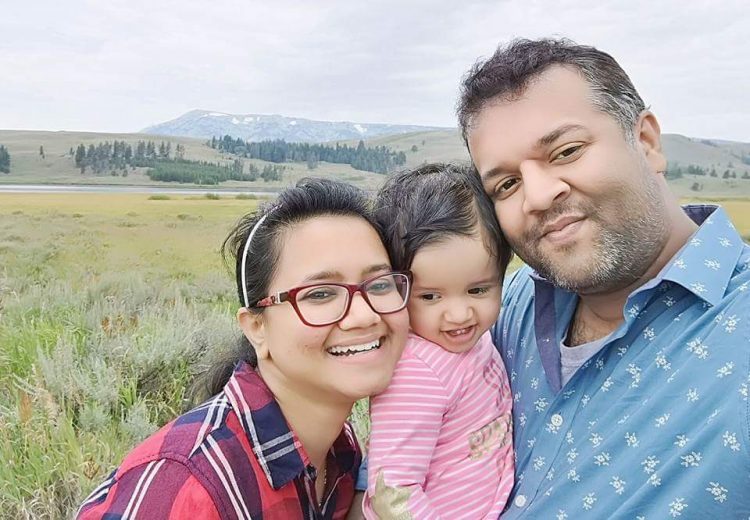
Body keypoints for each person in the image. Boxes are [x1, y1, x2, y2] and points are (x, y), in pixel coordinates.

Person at [457, 38, 750, 517]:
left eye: (566, 151)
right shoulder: (505, 308)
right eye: (506, 184)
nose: (537, 195)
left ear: (647, 142)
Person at [77, 178, 411, 519]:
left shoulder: (341, 456)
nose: (364, 315)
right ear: (257, 328)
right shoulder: (189, 485)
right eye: (320, 294)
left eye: (380, 284)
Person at [361, 163, 515, 519]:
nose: (460, 314)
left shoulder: (465, 342)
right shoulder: (417, 374)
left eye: (478, 290)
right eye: (430, 297)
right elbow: (393, 494)